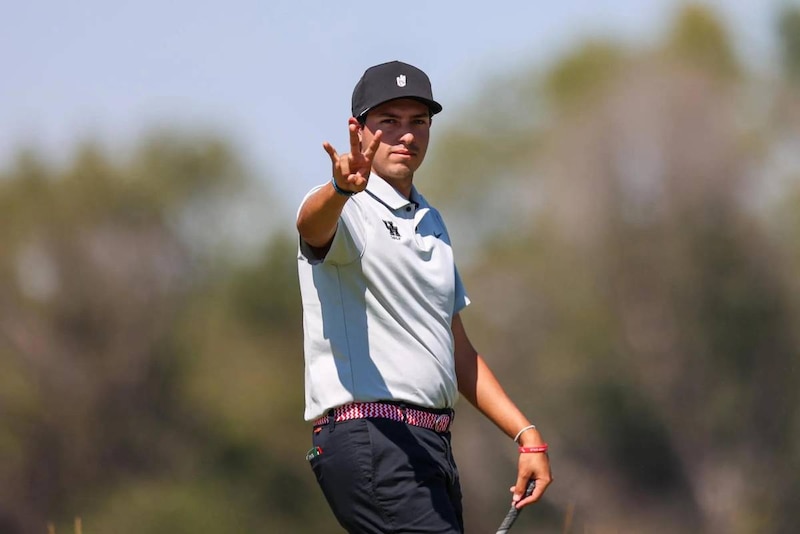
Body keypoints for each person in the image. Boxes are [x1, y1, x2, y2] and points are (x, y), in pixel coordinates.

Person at [296, 60, 552, 533]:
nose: (406, 136)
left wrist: (526, 434)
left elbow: (456, 348)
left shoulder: (431, 221)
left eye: (418, 122)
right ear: (359, 129)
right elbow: (310, 227)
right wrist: (338, 189)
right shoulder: (347, 206)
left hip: (427, 442)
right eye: (389, 121)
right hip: (372, 436)